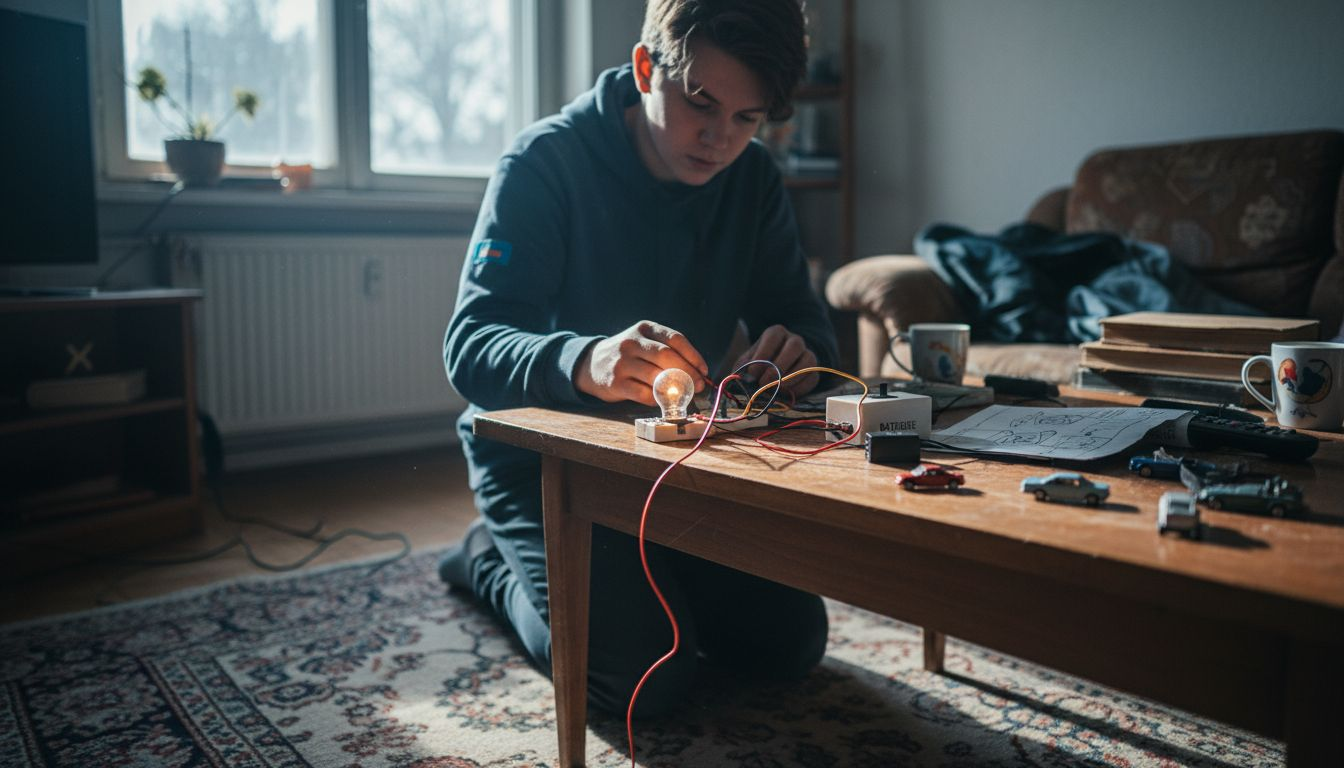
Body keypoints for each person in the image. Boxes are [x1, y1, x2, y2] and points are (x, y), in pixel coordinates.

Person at [441, 0, 838, 717]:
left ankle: (640, 581)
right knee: (642, 681)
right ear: (646, 67)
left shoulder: (753, 182)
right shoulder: (544, 164)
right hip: (544, 469)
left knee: (790, 644)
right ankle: (488, 562)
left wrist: (800, 353)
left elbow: (808, 320)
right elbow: (470, 345)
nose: (720, 139)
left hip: (671, 464)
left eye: (747, 120)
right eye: (701, 104)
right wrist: (583, 359)